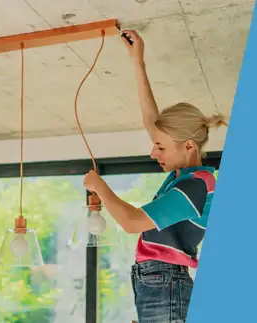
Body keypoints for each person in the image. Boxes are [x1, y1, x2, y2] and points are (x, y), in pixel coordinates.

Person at [83, 30, 227, 323]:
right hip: (161, 283)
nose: (153, 152)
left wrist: (100, 185)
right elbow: (153, 122)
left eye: (159, 146)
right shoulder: (186, 175)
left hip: (165, 284)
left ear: (188, 146)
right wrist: (138, 61)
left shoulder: (197, 185)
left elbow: (132, 221)